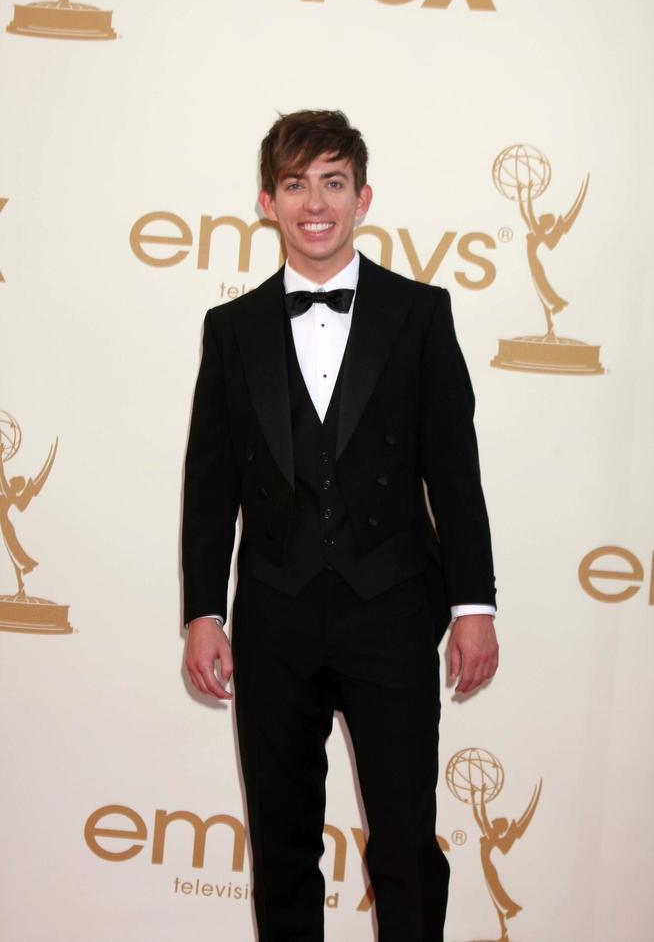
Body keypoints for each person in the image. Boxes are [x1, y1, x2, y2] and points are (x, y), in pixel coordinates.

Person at [182, 109, 499, 942]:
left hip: (391, 610)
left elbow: (455, 472)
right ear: (266, 201)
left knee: (402, 842)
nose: (313, 202)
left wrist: (476, 607)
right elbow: (210, 487)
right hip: (276, 617)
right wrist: (203, 613)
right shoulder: (231, 330)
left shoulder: (420, 314)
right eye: (295, 184)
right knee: (283, 845)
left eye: (331, 182)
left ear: (363, 197)